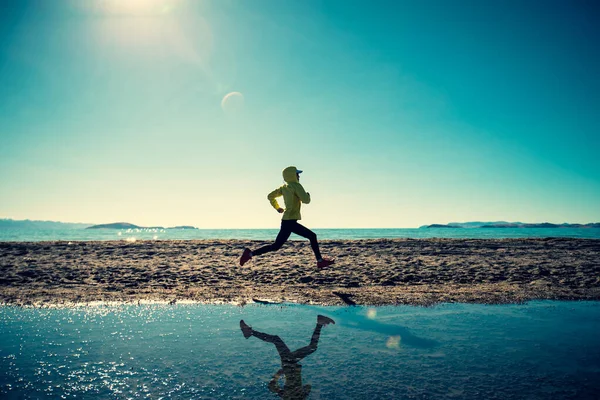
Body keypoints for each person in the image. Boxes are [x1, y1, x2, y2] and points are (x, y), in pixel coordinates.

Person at [239, 166, 334, 268]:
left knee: (276, 246)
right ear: (292, 175)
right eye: (297, 174)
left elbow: (270, 196)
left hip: (286, 221)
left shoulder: (284, 187)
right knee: (312, 236)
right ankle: (320, 261)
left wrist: (277, 208)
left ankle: (249, 254)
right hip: (290, 222)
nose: (299, 176)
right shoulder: (297, 186)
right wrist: (308, 195)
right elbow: (306, 200)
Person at [240, 315, 335, 399]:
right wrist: (279, 374)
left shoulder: (297, 397)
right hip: (288, 364)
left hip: (289, 363)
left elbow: (308, 387)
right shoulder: (286, 396)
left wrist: (280, 375)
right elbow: (272, 386)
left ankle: (250, 332)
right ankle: (319, 323)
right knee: (311, 347)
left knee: (278, 340)